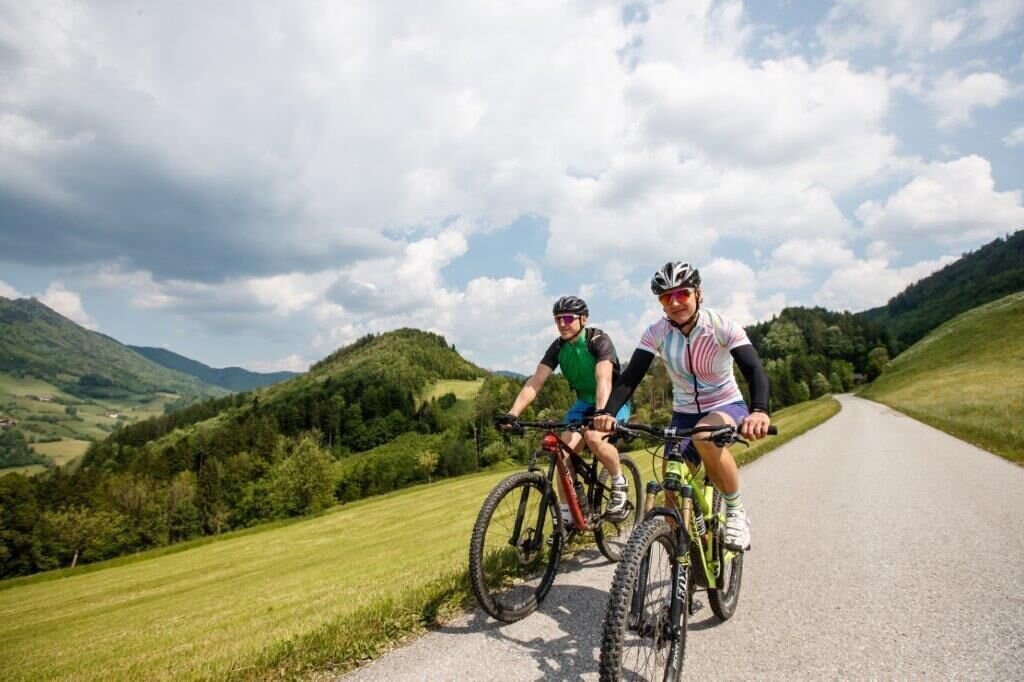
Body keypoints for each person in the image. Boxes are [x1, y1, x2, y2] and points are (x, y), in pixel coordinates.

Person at [592, 262, 771, 550]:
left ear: (698, 294)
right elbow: (631, 376)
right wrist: (607, 413)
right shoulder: (657, 332)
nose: (675, 303)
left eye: (682, 294)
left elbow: (753, 369)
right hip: (684, 413)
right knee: (672, 490)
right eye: (666, 297)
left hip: (725, 405)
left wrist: (760, 410)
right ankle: (686, 556)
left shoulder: (720, 326)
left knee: (704, 435)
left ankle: (736, 510)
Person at [495, 296, 633, 521]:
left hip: (611, 400)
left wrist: (601, 413)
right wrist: (513, 413)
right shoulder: (558, 347)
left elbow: (604, 379)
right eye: (557, 319)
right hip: (584, 402)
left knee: (594, 437)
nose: (562, 323)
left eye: (568, 318)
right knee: (561, 452)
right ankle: (568, 516)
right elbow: (535, 381)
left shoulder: (598, 340)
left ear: (583, 319)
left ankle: (619, 481)